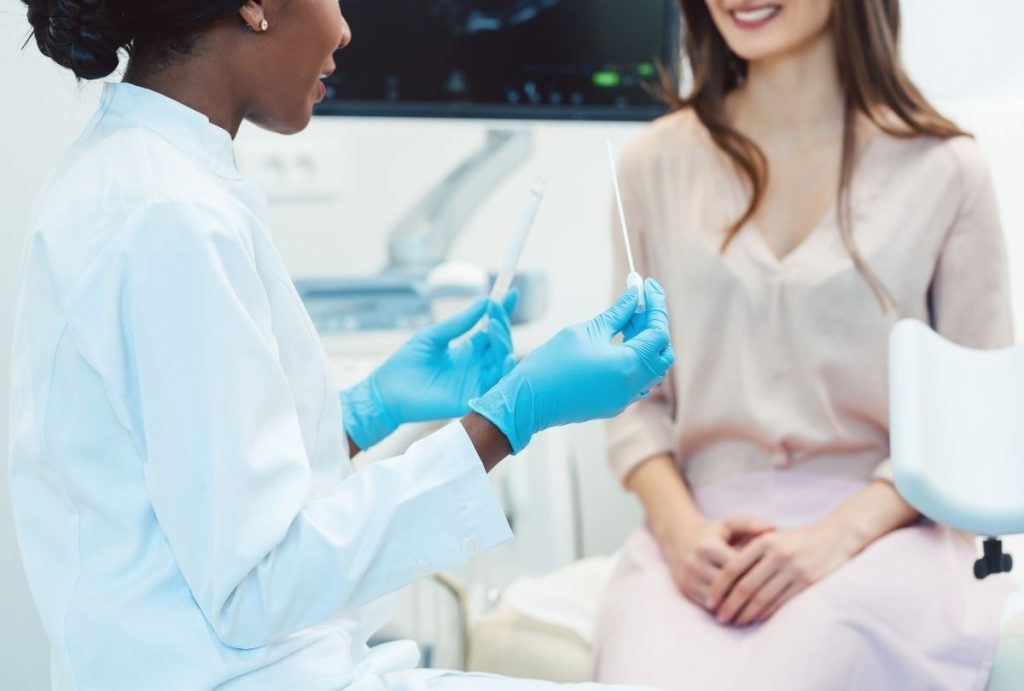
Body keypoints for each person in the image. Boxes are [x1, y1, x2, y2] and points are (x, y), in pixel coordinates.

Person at [8, 1, 674, 689]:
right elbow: (254, 587)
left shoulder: (145, 175)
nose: (347, 30)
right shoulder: (170, 217)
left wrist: (363, 413)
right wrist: (508, 419)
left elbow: (206, 482)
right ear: (254, 6)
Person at [595, 1, 1016, 689]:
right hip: (700, 543)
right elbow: (634, 404)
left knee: (807, 656)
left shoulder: (946, 170)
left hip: (885, 536)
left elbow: (974, 425)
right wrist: (680, 533)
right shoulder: (652, 165)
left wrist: (836, 538)